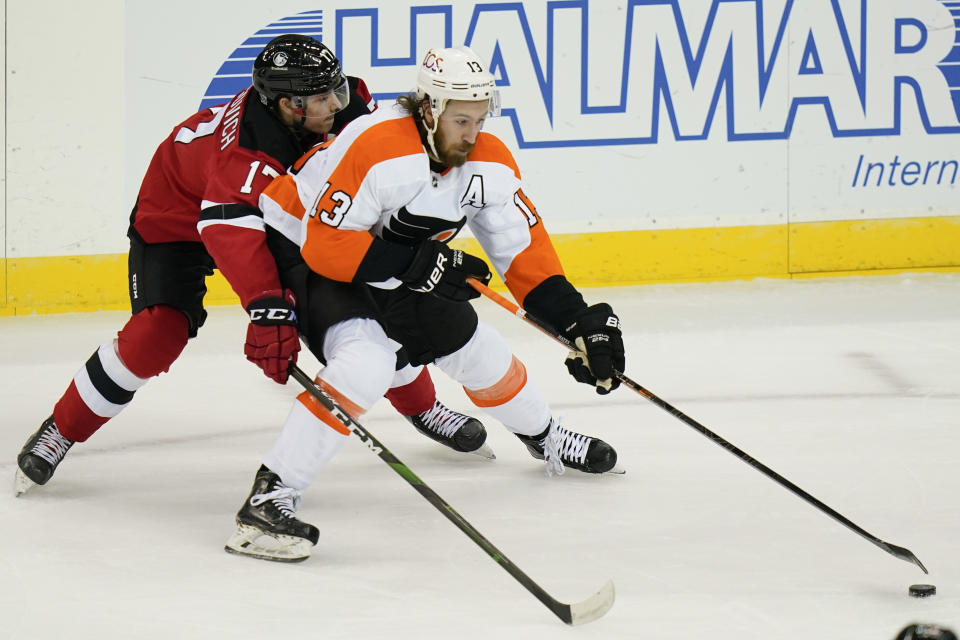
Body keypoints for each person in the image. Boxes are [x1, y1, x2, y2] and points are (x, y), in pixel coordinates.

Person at [13, 35, 488, 498]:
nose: (333, 106)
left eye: (335, 91)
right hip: (179, 219)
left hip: (272, 211)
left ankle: (422, 407)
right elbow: (231, 234)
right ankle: (62, 429)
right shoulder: (242, 153)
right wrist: (267, 309)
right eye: (320, 98)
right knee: (159, 333)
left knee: (364, 298)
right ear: (285, 105)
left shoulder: (341, 108)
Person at [232, 44, 626, 561]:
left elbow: (524, 254)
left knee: (478, 351)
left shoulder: (488, 162)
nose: (472, 134)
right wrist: (418, 264)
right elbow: (328, 247)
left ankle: (544, 436)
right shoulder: (376, 147)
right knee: (365, 362)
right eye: (461, 120)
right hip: (304, 247)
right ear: (429, 109)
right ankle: (268, 498)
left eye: (480, 120)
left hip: (389, 254)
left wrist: (579, 320)